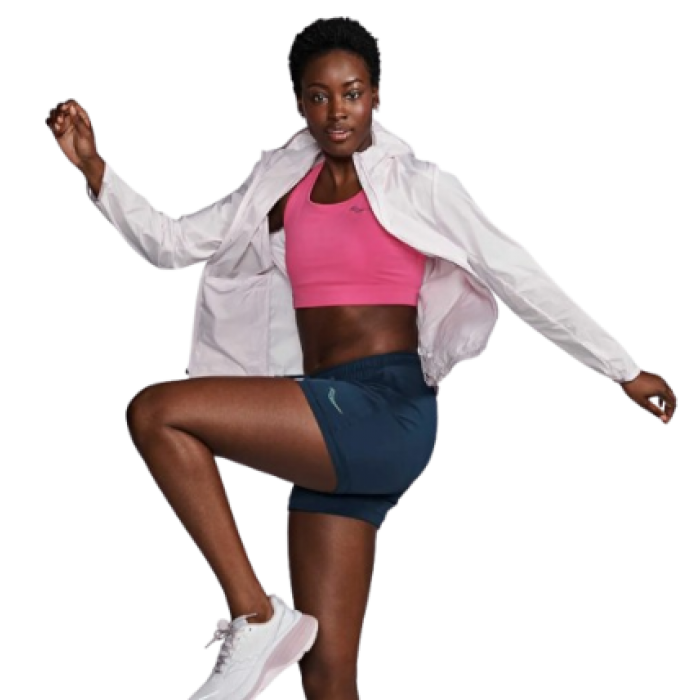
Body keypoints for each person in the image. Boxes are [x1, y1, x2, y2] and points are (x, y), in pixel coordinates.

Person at [44, 15, 678, 700]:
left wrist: (622, 368)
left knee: (157, 412)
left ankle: (255, 617)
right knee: (326, 680)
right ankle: (270, 631)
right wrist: (93, 167)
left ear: (376, 95)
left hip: (386, 408)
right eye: (318, 96)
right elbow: (171, 247)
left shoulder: (421, 185)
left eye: (351, 93)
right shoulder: (278, 183)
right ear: (299, 103)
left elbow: (518, 275)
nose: (336, 111)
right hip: (329, 414)